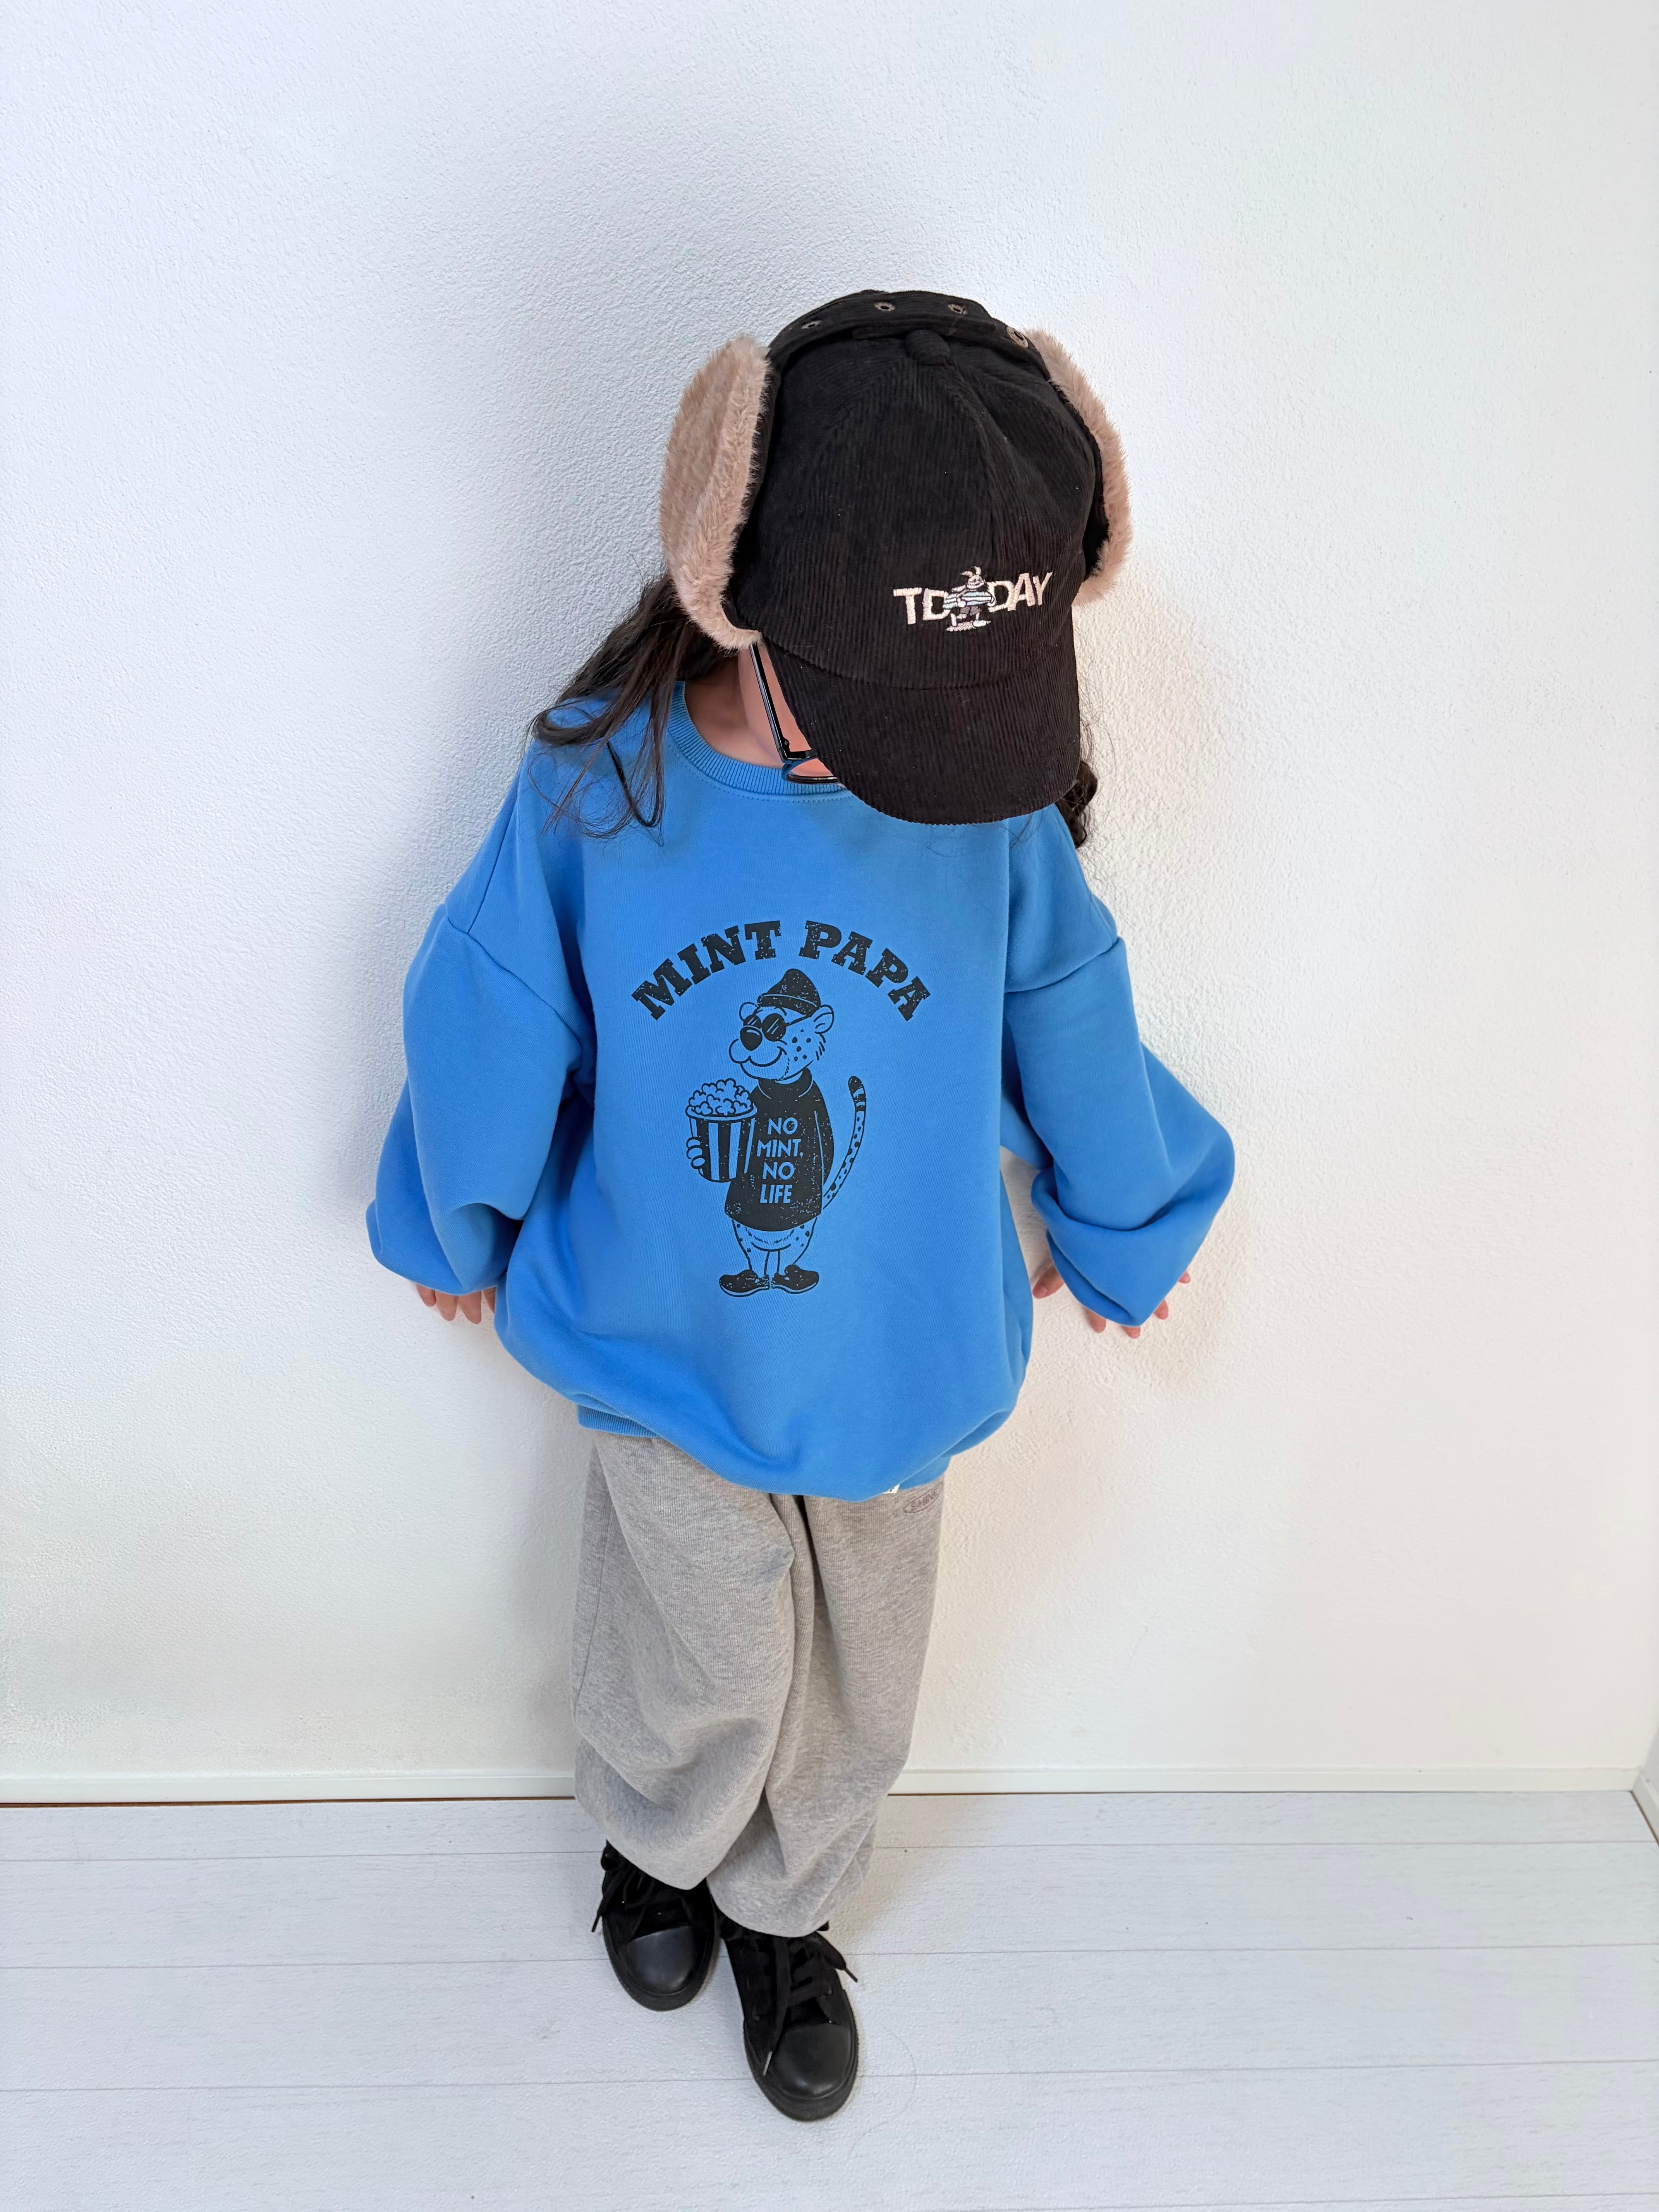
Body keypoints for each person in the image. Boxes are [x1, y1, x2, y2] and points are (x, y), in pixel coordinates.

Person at [367, 289, 1235, 2121]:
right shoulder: (603, 784)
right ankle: (661, 1842)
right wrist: (457, 1222)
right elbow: (492, 1010)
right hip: (665, 1333)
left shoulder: (984, 813)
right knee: (696, 1641)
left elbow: (1067, 1003)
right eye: (878, 709)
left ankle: (788, 1906)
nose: (914, 759)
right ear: (732, 580)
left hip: (898, 1339)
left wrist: (1123, 1217)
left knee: (857, 1672)